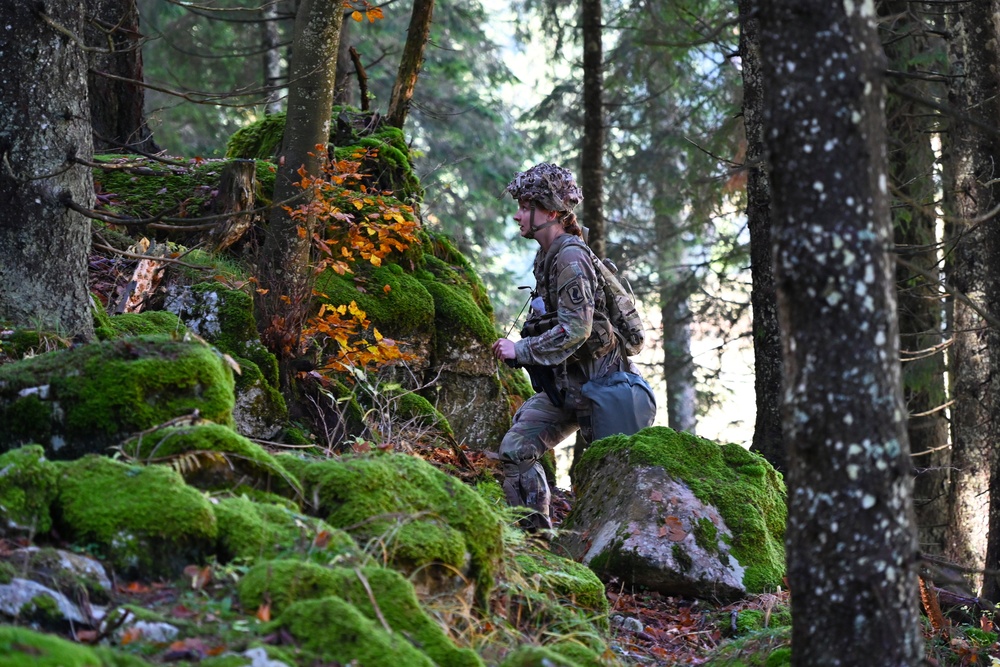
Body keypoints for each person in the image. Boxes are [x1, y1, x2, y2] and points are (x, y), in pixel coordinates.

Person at [492, 162, 624, 531]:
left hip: (600, 389)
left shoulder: (570, 257)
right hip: (567, 387)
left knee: (613, 480)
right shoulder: (546, 257)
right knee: (515, 451)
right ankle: (535, 543)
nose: (517, 215)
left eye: (524, 206)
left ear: (549, 211)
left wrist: (521, 351)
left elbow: (577, 329)